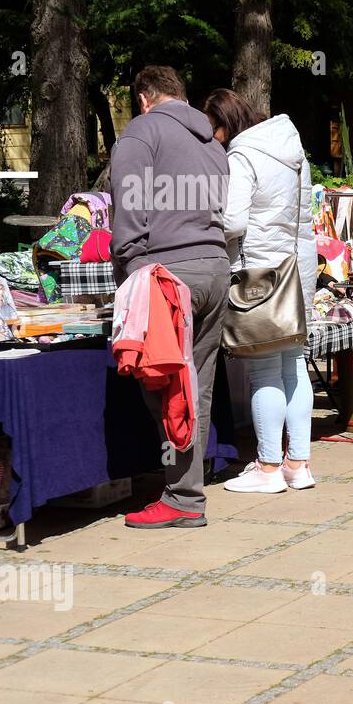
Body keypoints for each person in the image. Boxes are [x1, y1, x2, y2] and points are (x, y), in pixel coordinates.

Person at [110, 65, 229, 529]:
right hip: (215, 270)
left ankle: (182, 496)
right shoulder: (212, 143)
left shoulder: (142, 132)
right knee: (195, 386)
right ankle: (187, 493)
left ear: (144, 98)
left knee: (163, 386)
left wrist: (132, 272)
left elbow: (129, 206)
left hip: (166, 276)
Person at [203, 88, 317, 495]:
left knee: (264, 368)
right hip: (298, 269)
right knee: (294, 365)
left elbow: (233, 222)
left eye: (212, 128)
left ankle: (268, 467)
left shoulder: (243, 154)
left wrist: (202, 218)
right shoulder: (290, 145)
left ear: (223, 123)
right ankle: (298, 464)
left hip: (260, 274)